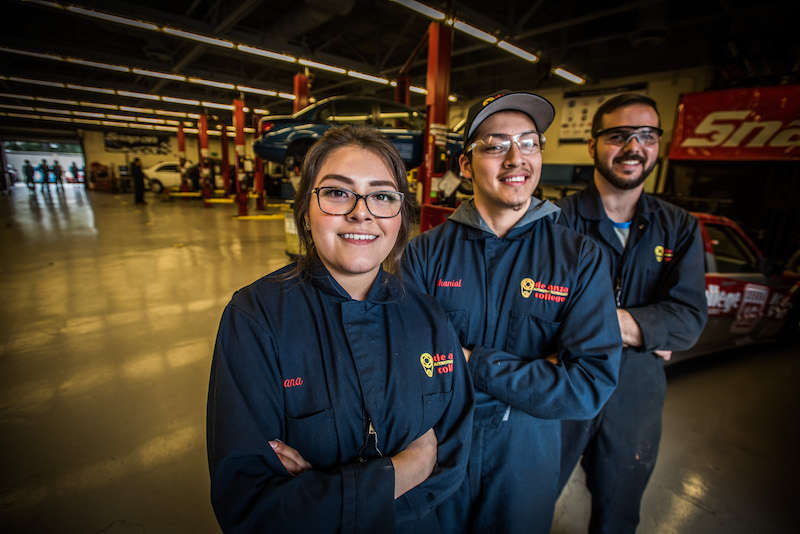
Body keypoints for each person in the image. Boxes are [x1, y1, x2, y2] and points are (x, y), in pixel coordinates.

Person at [207, 125, 474, 534]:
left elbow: (454, 460)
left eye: (382, 195)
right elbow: (249, 507)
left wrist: (328, 496)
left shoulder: (429, 315)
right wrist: (406, 469)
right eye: (337, 192)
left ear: (401, 217)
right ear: (304, 210)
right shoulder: (255, 317)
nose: (361, 212)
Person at [401, 90, 623, 534]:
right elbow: (408, 367)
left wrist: (469, 362)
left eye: (529, 143)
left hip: (524, 464)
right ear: (465, 165)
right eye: (496, 144)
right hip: (435, 453)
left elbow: (586, 388)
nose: (516, 158)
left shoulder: (580, 258)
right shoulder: (424, 254)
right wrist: (538, 372)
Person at [556, 93, 708, 533]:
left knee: (619, 513)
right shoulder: (556, 222)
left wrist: (590, 322)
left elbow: (687, 321)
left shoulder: (679, 226)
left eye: (646, 135)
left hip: (636, 394)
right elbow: (536, 311)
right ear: (592, 145)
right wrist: (645, 330)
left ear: (659, 144)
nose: (633, 146)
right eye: (619, 135)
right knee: (531, 497)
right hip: (560, 381)